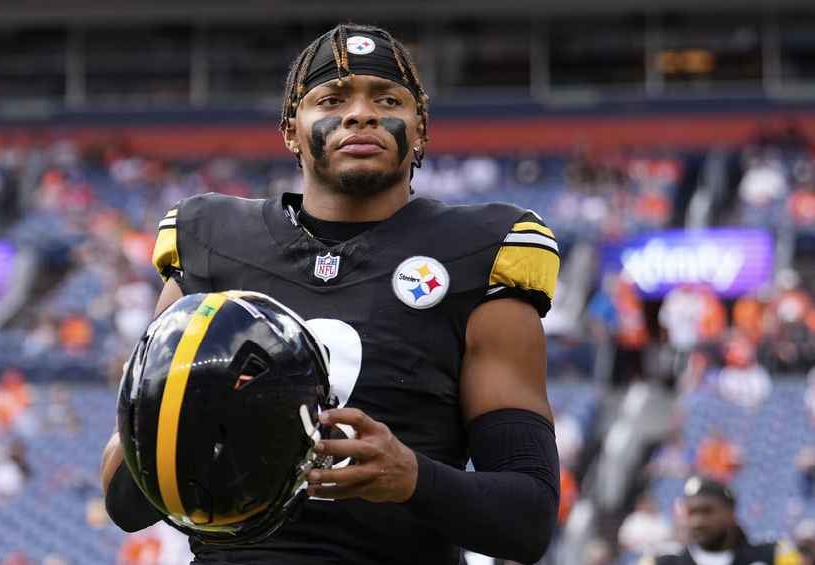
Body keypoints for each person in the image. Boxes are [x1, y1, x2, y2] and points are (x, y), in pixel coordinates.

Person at [100, 23, 560, 565]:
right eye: (332, 99)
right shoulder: (210, 242)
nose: (361, 114)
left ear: (420, 129)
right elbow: (124, 501)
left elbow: (528, 518)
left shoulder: (478, 252)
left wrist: (412, 478)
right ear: (290, 130)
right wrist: (198, 410)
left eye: (387, 99)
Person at [639, 476, 801, 564]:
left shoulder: (774, 557)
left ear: (731, 513)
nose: (697, 521)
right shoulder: (658, 563)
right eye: (691, 513)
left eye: (707, 511)